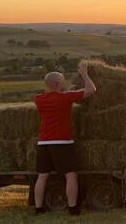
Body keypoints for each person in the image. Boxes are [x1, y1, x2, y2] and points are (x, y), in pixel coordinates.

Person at [33, 61, 96, 215]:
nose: (65, 84)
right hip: (62, 142)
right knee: (70, 175)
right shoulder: (65, 98)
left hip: (43, 142)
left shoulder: (39, 99)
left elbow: (56, 95)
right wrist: (84, 74)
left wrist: (66, 91)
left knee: (42, 176)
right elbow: (91, 90)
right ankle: (73, 208)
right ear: (57, 83)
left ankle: (38, 209)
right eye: (62, 82)